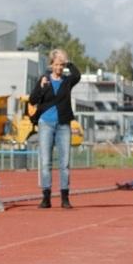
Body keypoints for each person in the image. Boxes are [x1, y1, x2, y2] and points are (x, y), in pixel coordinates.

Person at [28, 48, 81, 209]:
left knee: (64, 163)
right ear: (51, 65)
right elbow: (32, 99)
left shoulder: (67, 81)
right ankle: (46, 197)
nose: (59, 67)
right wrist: (41, 86)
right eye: (57, 64)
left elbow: (77, 75)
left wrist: (68, 61)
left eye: (61, 65)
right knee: (46, 162)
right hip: (46, 123)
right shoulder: (44, 80)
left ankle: (65, 197)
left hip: (63, 124)